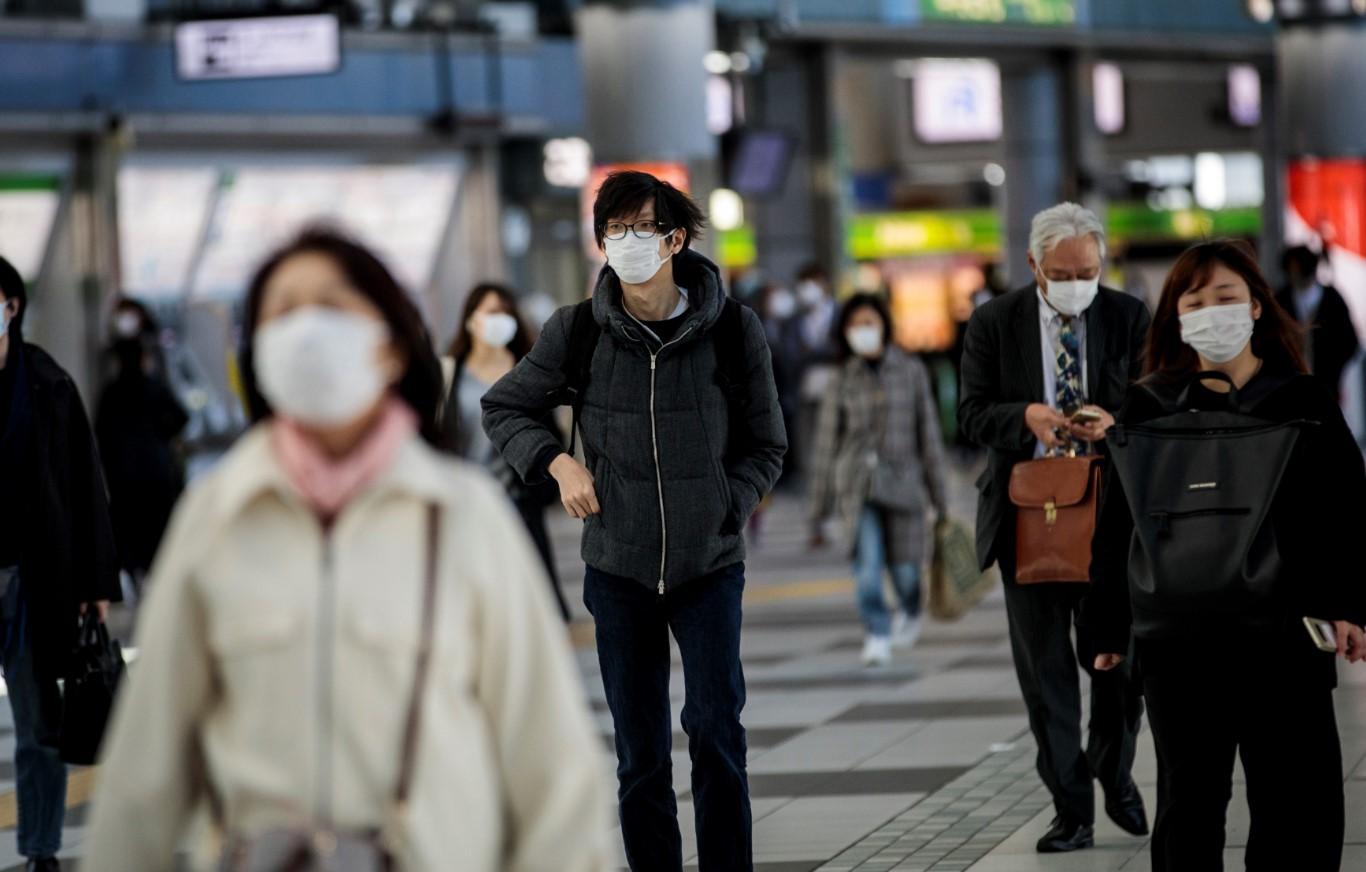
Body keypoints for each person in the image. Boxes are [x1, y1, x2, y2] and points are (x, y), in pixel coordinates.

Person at [84, 229, 611, 871]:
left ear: (390, 347)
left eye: (333, 307)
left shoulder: (463, 517)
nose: (308, 330)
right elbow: (146, 766)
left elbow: (550, 763)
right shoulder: (218, 518)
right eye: (283, 312)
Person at [482, 171, 786, 872]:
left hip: (708, 566)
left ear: (674, 238)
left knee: (716, 733)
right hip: (617, 567)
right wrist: (559, 464)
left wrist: (725, 506)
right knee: (640, 752)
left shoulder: (733, 330)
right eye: (612, 230)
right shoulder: (578, 331)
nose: (624, 242)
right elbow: (505, 406)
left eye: (639, 228)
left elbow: (767, 444)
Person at [1086, 240, 1366, 872]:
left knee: (1296, 805)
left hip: (1286, 635)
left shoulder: (1301, 400)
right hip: (1178, 641)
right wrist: (1104, 625)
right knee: (1189, 803)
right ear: (1176, 317)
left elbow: (1345, 512)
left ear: (1257, 308)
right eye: (1196, 300)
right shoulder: (1148, 405)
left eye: (1227, 297)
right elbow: (1117, 525)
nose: (1212, 310)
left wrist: (1348, 607)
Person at [957, 202, 1150, 853]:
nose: (1077, 283)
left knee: (1119, 666)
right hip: (1028, 518)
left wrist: (1115, 421)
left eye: (1089, 270)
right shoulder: (993, 322)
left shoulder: (1127, 316)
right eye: (1063, 272)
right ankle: (1072, 808)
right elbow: (971, 413)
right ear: (1035, 264)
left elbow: (1155, 406)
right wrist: (1027, 417)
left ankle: (1114, 768)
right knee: (1045, 677)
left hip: (1111, 518)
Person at [0, 254, 120, 872]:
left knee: (37, 724)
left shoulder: (48, 384)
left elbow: (84, 489)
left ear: (11, 307)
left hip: (30, 580)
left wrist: (96, 582)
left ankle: (41, 849)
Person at [808, 293, 947, 667]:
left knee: (906, 571)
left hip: (904, 485)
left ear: (885, 324)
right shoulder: (842, 377)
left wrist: (941, 499)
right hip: (857, 486)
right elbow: (825, 445)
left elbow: (929, 434)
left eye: (869, 322)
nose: (863, 331)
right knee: (867, 569)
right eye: (855, 325)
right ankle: (877, 633)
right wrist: (818, 509)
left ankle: (911, 608)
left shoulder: (911, 370)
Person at [443, 282, 570, 620]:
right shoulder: (450, 373)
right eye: (490, 312)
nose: (500, 319)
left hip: (520, 505)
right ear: (471, 320)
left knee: (530, 602)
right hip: (466, 503)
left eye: (505, 312)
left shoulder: (528, 371)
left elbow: (550, 433)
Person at [95, 297, 189, 594]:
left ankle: (136, 578)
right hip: (159, 476)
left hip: (123, 482)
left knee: (131, 537)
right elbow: (180, 418)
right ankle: (156, 581)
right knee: (160, 538)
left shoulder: (110, 394)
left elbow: (99, 435)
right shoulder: (154, 388)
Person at [1276, 245, 1359, 399]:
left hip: (1327, 383)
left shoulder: (1332, 299)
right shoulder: (1281, 300)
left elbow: (1350, 342)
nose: (1295, 274)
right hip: (1290, 385)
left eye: (1298, 269)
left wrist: (1334, 369)